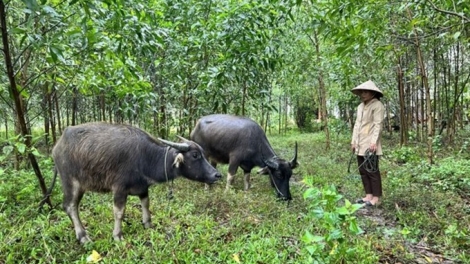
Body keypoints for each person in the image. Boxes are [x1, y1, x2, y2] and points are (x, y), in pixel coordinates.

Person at [350, 80, 385, 206]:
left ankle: (376, 198)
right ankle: (368, 195)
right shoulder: (360, 107)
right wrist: (353, 141)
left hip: (370, 143)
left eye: (366, 92)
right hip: (360, 142)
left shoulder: (377, 106)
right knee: (363, 170)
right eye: (362, 92)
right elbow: (357, 125)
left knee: (372, 170)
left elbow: (378, 125)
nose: (363, 94)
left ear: (372, 93)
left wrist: (374, 142)